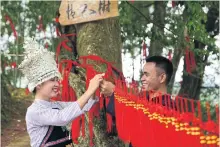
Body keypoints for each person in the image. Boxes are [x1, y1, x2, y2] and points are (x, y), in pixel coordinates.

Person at [18, 38, 104, 147]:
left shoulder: (56, 105)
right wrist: (89, 90)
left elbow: (81, 106)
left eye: (57, 80)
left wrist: (96, 93)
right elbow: (62, 117)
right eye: (52, 80)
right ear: (38, 84)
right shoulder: (34, 111)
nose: (57, 84)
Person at [100, 55, 174, 146]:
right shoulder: (143, 100)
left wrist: (115, 93)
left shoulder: (168, 108)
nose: (142, 78)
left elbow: (141, 124)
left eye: (147, 74)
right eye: (143, 74)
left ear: (162, 78)